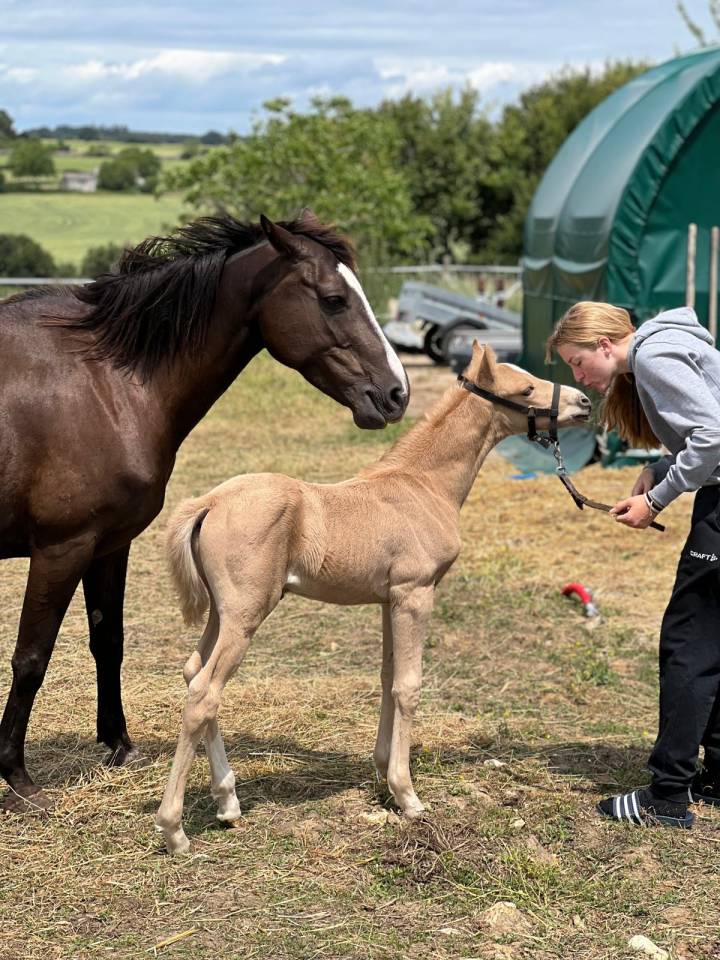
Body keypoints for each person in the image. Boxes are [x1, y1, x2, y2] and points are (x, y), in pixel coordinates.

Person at [547, 301, 720, 829]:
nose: (578, 376)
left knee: (688, 642)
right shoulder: (667, 344)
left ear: (605, 345)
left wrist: (658, 499)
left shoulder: (653, 356)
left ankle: (667, 795)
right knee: (712, 636)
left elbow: (714, 436)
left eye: (578, 363)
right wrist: (662, 465)